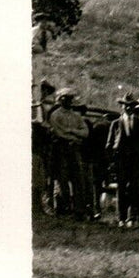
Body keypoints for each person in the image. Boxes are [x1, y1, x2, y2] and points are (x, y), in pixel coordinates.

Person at [106, 91, 139, 226]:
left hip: (136, 161)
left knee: (135, 188)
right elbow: (109, 145)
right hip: (121, 160)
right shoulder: (116, 123)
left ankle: (131, 217)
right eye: (125, 105)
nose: (128, 108)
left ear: (134, 107)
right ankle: (121, 217)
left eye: (131, 105)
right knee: (121, 189)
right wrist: (111, 161)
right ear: (121, 107)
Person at [45, 88, 90, 219]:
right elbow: (59, 133)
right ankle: (63, 208)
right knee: (62, 179)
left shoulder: (76, 116)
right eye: (66, 98)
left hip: (74, 149)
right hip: (61, 149)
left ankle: (79, 210)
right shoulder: (56, 115)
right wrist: (74, 135)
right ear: (60, 100)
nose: (69, 101)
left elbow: (85, 132)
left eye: (70, 99)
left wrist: (71, 131)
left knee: (78, 179)